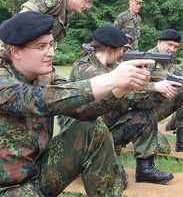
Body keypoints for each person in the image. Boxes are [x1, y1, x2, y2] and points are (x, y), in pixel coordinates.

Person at [0, 11, 153, 196]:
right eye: (41, 47)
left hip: (36, 174)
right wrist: (111, 79)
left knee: (92, 129)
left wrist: (121, 87)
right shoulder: (3, 78)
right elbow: (38, 100)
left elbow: (84, 110)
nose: (51, 52)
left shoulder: (46, 76)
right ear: (15, 52)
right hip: (8, 187)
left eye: (51, 44)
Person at [59, 25, 175, 185]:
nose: (124, 54)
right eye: (122, 49)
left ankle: (145, 169)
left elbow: (133, 99)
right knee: (118, 182)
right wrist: (154, 86)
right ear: (110, 48)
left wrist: (160, 94)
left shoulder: (114, 67)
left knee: (146, 115)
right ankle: (83, 163)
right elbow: (114, 86)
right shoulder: (84, 67)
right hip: (83, 134)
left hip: (106, 127)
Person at [20, 0, 98, 44]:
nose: (87, 6)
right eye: (86, 0)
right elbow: (22, 17)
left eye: (90, 4)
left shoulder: (65, 15)